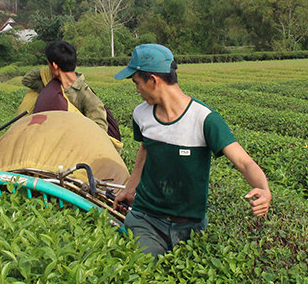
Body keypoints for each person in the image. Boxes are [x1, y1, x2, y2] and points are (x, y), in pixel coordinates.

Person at [111, 44, 271, 258]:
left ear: (153, 80)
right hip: (146, 218)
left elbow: (244, 162)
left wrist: (263, 188)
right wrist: (130, 189)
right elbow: (145, 149)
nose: (137, 90)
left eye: (137, 83)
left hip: (190, 225)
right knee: (144, 266)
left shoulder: (204, 119)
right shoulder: (141, 114)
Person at [22, 40, 120, 139]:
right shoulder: (51, 86)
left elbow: (100, 131)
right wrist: (46, 71)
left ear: (54, 65)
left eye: (48, 64)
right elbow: (27, 80)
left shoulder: (85, 94)